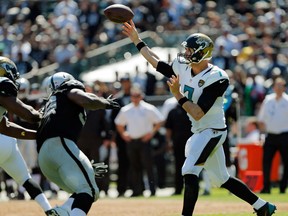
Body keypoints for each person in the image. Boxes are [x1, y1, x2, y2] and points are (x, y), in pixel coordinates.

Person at [122, 20, 276, 216]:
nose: (185, 54)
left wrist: (177, 94)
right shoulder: (183, 67)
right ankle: (262, 206)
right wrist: (137, 40)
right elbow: (156, 62)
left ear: (201, 52)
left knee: (189, 170)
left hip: (212, 130)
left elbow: (197, 112)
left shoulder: (217, 77)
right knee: (222, 179)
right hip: (200, 130)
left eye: (189, 50)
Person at [36, 72, 120, 216]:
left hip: (45, 159)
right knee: (90, 190)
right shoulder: (68, 88)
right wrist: (102, 102)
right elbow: (81, 97)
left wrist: (86, 168)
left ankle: (63, 211)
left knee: (81, 189)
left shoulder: (50, 104)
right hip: (60, 145)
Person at [0, 56, 57, 215]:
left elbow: (6, 127)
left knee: (26, 177)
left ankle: (49, 210)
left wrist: (39, 134)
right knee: (25, 178)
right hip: (5, 144)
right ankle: (48, 210)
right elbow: (28, 115)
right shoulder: (3, 84)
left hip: (3, 139)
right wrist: (45, 116)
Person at [114, 85, 164, 197]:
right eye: (133, 96)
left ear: (141, 96)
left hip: (144, 141)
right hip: (132, 141)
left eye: (137, 96)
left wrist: (151, 133)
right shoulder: (126, 109)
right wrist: (123, 134)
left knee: (149, 166)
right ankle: (137, 190)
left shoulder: (148, 108)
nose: (135, 98)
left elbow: (160, 121)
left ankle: (152, 190)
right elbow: (118, 123)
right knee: (134, 166)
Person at [258, 77, 288, 194]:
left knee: (286, 162)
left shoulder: (287, 101)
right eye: (277, 85)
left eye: (281, 86)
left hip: (285, 135)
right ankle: (266, 187)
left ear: (284, 87)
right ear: (274, 87)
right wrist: (262, 134)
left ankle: (283, 187)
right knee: (266, 161)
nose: (279, 88)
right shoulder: (268, 100)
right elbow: (261, 120)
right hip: (270, 135)